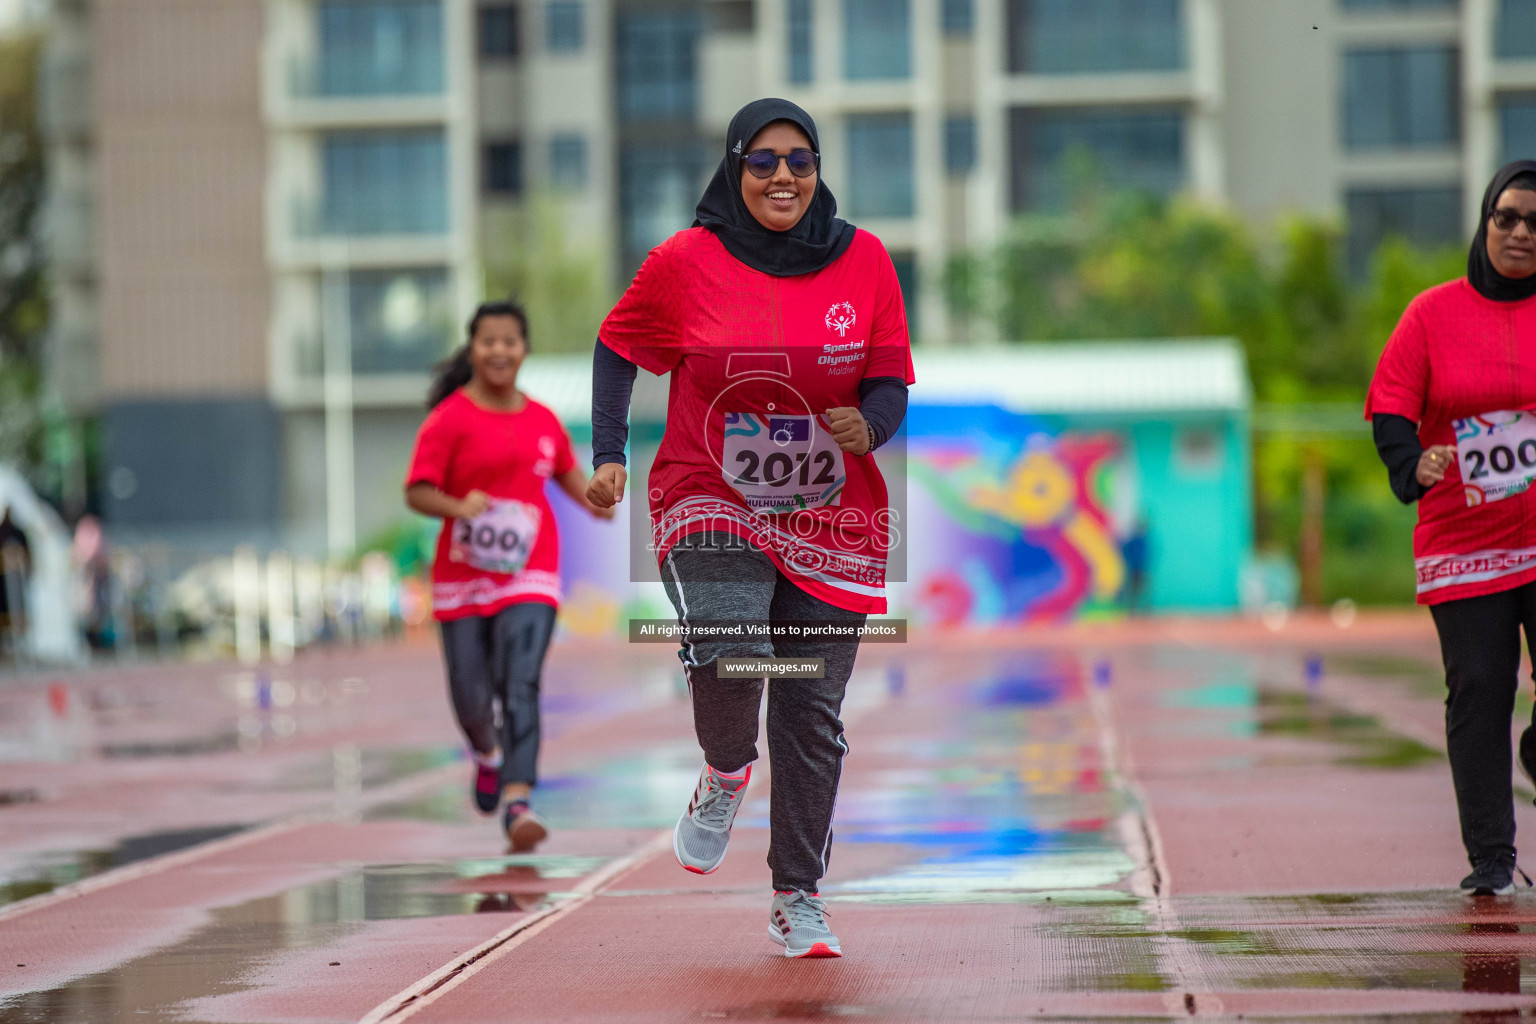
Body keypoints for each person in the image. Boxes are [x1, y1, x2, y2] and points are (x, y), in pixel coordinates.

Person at [587, 98, 913, 957]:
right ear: (735, 167)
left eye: (799, 161)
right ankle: (725, 768)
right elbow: (617, 345)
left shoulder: (867, 260)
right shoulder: (686, 262)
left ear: (819, 170)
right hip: (710, 493)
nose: (782, 177)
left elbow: (887, 381)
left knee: (810, 711)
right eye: (763, 160)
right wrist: (611, 451)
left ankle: (796, 896)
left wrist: (869, 428)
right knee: (734, 639)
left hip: (834, 513)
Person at [1367, 159, 1536, 896]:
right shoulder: (1432, 314)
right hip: (1466, 543)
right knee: (1480, 686)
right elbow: (1391, 405)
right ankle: (1492, 856)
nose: (1521, 233)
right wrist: (1415, 463)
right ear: (1485, 222)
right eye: (1508, 218)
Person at [406, 300, 613, 851]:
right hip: (462, 580)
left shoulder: (544, 420)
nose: (500, 351)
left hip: (531, 574)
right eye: (488, 341)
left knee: (521, 684)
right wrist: (457, 507)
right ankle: (486, 753)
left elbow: (575, 483)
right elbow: (416, 491)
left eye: (510, 341)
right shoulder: (448, 419)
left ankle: (519, 803)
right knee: (472, 698)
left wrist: (601, 498)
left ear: (524, 350)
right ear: (473, 349)